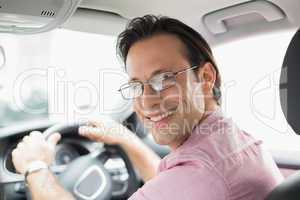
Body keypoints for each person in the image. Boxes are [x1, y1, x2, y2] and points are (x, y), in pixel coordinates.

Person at [12, 15, 284, 200]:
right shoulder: (230, 142)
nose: (146, 101)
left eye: (163, 79)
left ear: (205, 77)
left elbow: (190, 183)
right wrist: (127, 139)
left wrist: (35, 167)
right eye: (136, 86)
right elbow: (175, 183)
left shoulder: (202, 176)